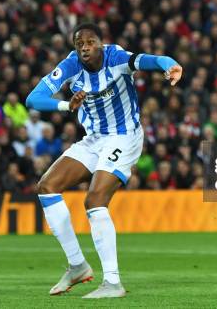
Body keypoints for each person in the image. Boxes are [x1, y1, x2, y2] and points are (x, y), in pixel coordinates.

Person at [26, 23, 182, 299]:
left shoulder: (116, 57)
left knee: (94, 200)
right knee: (47, 187)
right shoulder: (71, 65)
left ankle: (112, 282)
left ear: (100, 43)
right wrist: (66, 105)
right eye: (79, 43)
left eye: (90, 41)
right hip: (95, 138)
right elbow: (33, 98)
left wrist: (167, 63)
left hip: (124, 137)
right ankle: (77, 265)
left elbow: (144, 60)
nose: (85, 47)